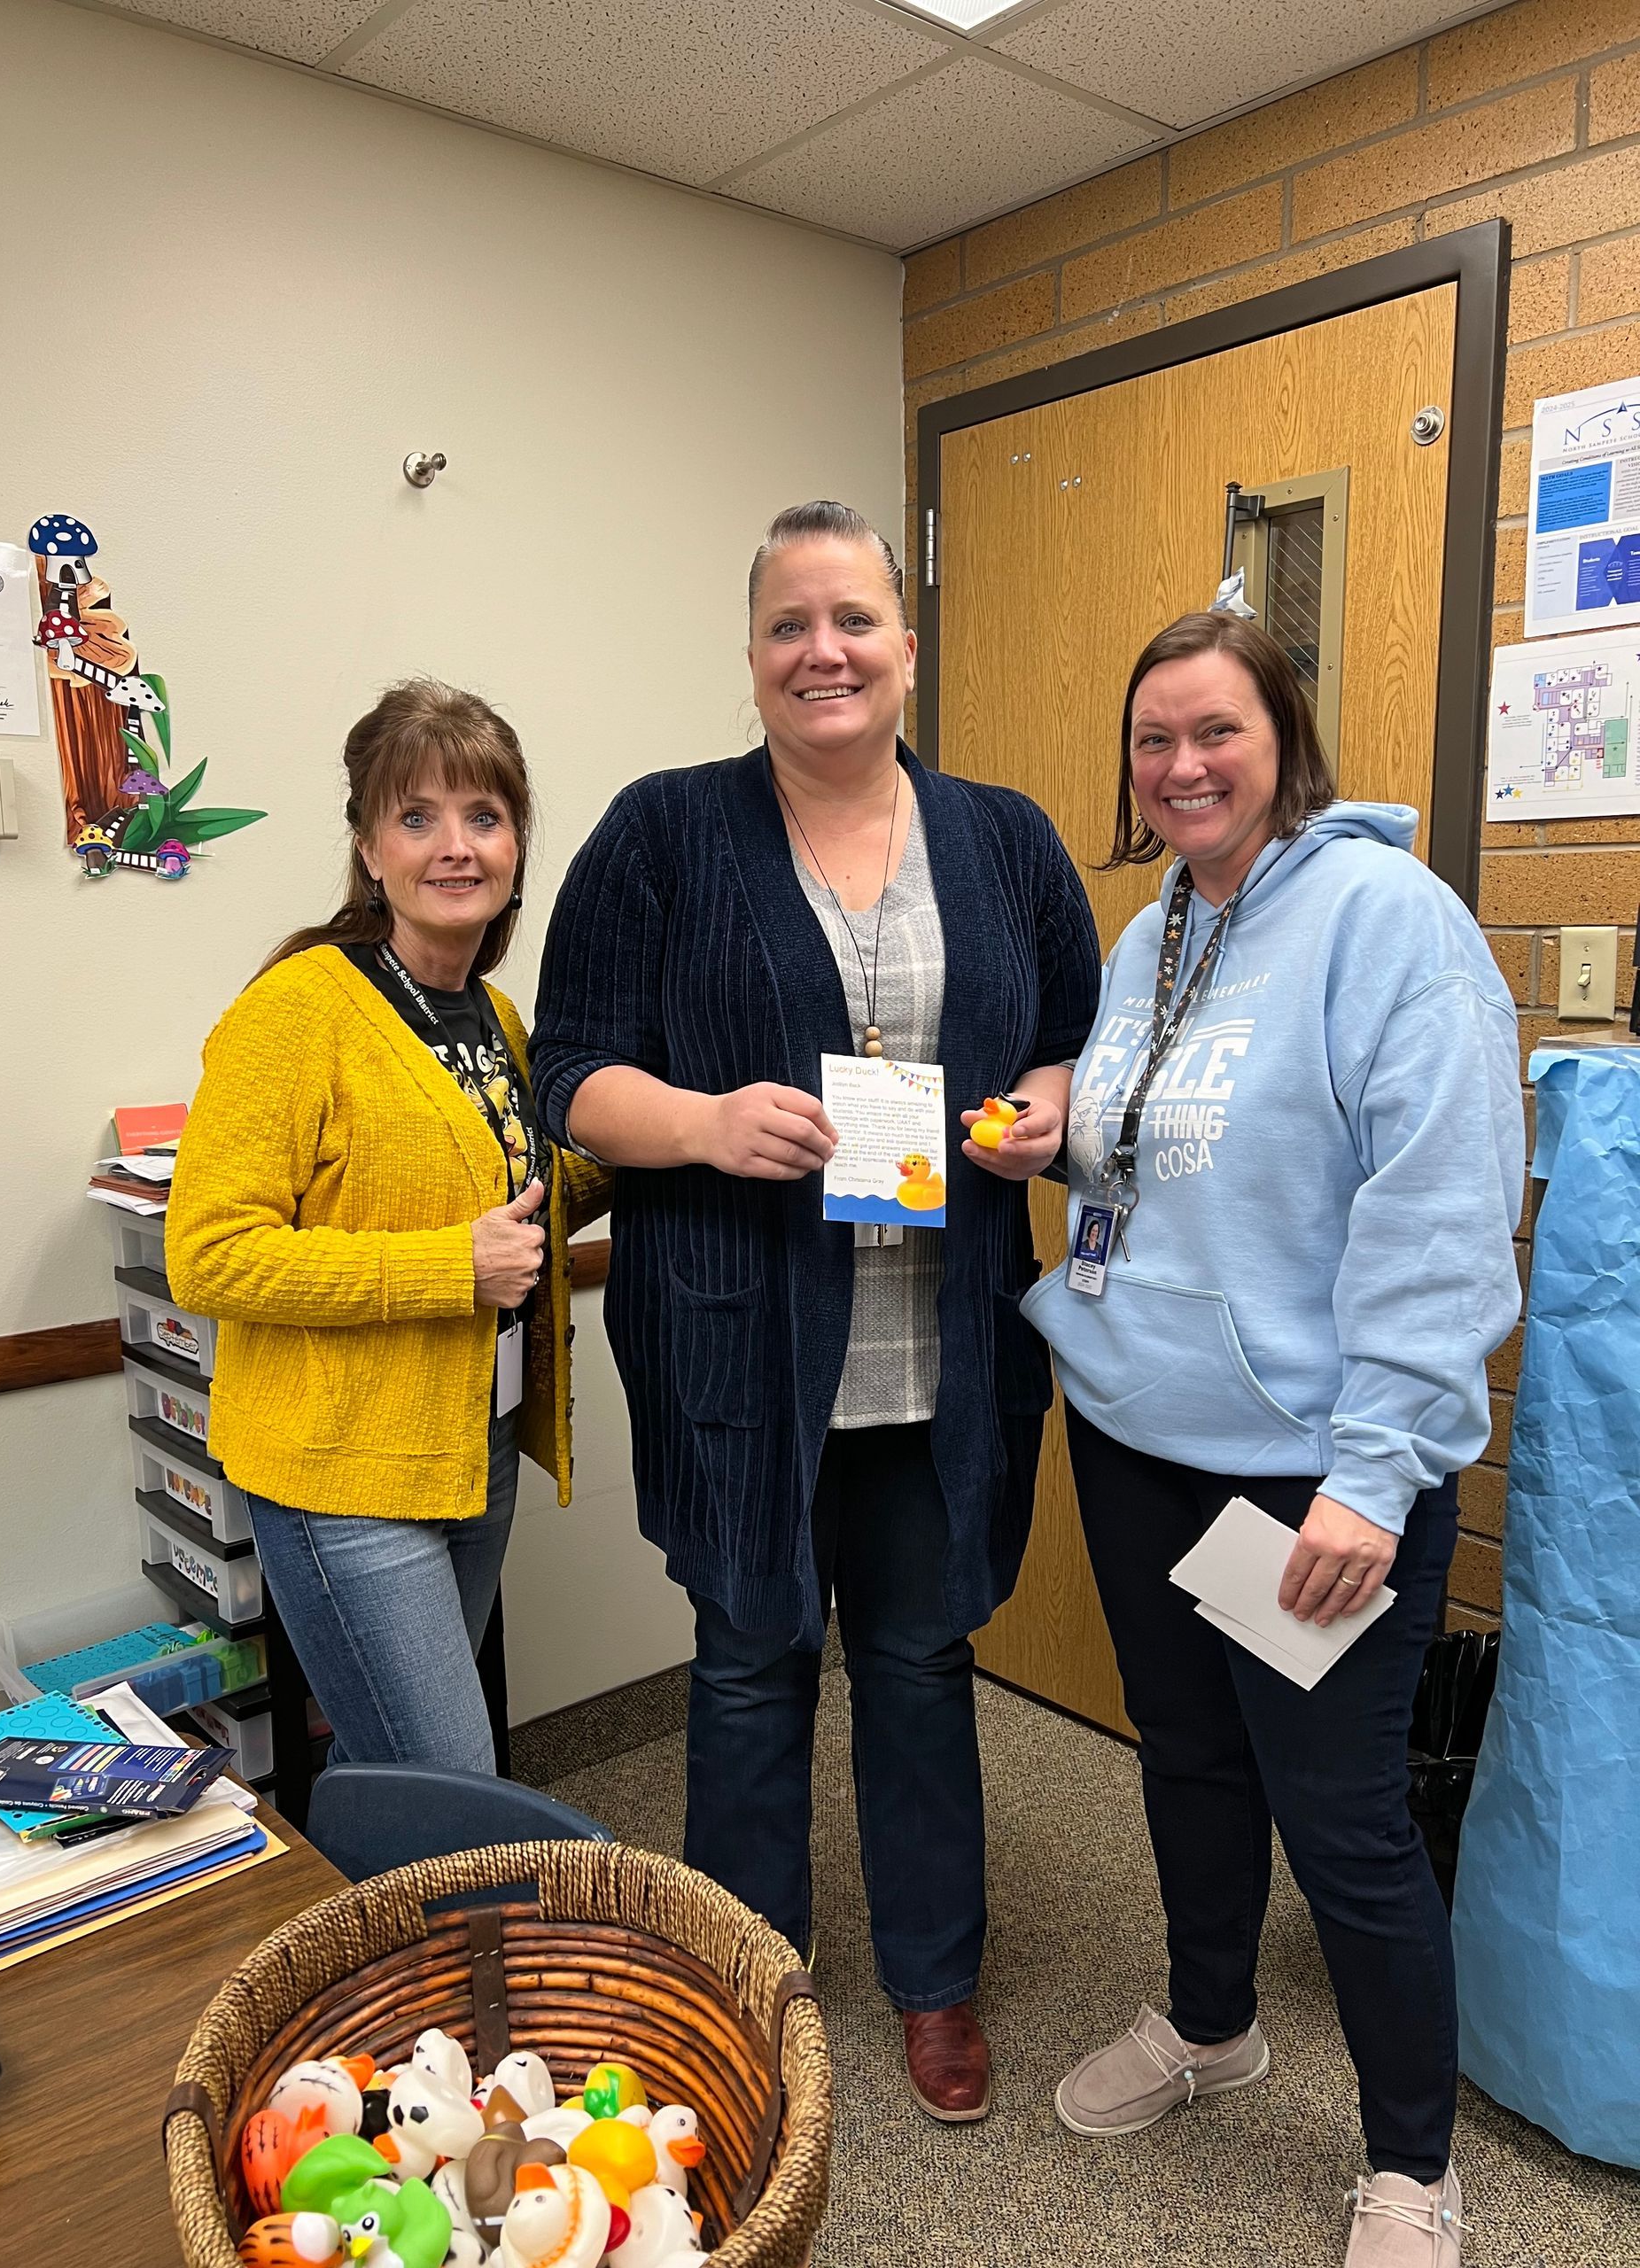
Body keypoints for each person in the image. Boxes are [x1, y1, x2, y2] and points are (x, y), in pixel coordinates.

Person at [531, 501, 1099, 2119]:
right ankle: (748, 1976)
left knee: (921, 1664)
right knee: (749, 1662)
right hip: (742, 1349)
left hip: (945, 1351)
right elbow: (569, 1072)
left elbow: (1075, 1036)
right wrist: (706, 1123)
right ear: (754, 657)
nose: (823, 651)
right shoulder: (664, 833)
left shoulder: (1005, 839)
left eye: (854, 620)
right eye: (790, 626)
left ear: (908, 650)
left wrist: (1046, 1108)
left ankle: (935, 1982)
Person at [1022, 614, 1522, 2265]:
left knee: (1346, 1822)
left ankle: (1412, 2169)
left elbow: (1440, 1226)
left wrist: (1375, 1480)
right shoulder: (1152, 930)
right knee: (1190, 1761)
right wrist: (1065, 1133)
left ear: (1282, 739)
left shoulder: (1392, 924)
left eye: (1214, 733)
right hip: (1134, 1436)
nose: (1181, 768)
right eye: (1153, 741)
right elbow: (1153, 1164)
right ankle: (1211, 2024)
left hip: (1307, 1475)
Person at [166, 681, 610, 1776]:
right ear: (370, 847)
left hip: (473, 1455)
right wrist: (444, 1265)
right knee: (454, 1789)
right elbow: (208, 1252)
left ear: (516, 845)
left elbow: (526, 1193)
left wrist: (665, 1127)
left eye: (485, 817)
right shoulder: (299, 1008)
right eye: (417, 817)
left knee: (402, 1776)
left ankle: (384, 1944)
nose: (454, 847)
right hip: (342, 1476)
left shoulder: (497, 1016)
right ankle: (443, 1946)